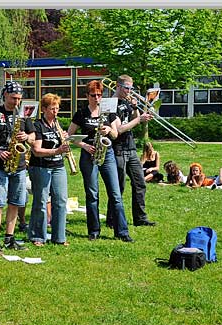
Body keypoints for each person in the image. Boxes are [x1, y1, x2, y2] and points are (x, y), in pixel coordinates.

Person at [68, 80, 134, 242]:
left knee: (116, 194)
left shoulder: (108, 111)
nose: (97, 98)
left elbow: (115, 135)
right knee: (92, 194)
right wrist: (84, 145)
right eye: (93, 95)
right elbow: (69, 135)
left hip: (107, 153)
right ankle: (94, 230)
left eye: (99, 95)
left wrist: (109, 130)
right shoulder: (81, 113)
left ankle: (122, 232)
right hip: (89, 154)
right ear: (87, 96)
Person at [0, 81, 34, 254]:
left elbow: (32, 136)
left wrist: (27, 136)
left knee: (15, 203)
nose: (16, 102)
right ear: (4, 96)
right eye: (12, 98)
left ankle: (10, 238)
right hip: (1, 165)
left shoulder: (23, 114)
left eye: (18, 98)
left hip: (20, 165)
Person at [106, 74, 155, 227]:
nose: (130, 91)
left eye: (131, 88)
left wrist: (135, 108)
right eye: (127, 88)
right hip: (118, 148)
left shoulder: (126, 102)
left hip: (131, 147)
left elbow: (134, 120)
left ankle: (140, 218)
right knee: (118, 187)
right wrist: (138, 119)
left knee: (140, 183)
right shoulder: (110, 104)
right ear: (118, 86)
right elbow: (119, 129)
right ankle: (112, 219)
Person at [27, 93, 70, 246]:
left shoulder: (57, 124)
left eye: (57, 108)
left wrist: (66, 139)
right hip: (40, 167)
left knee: (61, 201)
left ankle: (59, 237)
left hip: (58, 166)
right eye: (52, 109)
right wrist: (57, 151)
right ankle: (38, 236)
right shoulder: (37, 125)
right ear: (44, 109)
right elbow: (36, 150)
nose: (55, 112)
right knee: (41, 201)